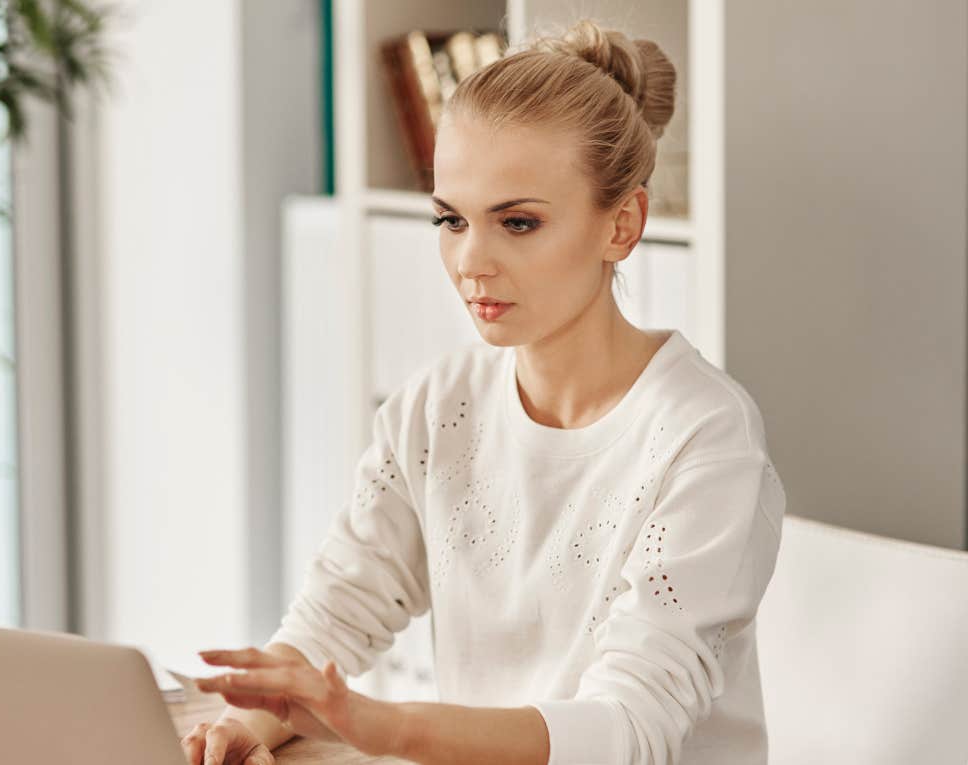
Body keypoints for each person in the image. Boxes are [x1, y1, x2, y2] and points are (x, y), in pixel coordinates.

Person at [180, 17, 786, 765]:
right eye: (450, 219)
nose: (470, 260)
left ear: (622, 224)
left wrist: (385, 727)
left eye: (518, 222)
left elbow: (629, 730)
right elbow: (339, 610)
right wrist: (250, 724)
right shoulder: (439, 408)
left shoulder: (706, 438)